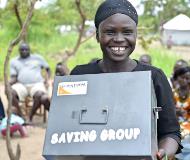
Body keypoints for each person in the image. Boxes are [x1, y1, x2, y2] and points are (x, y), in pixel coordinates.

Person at [70, 0, 181, 159]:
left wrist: (163, 154)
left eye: (127, 32)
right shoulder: (80, 75)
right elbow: (67, 126)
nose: (119, 39)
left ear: (136, 35)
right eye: (110, 32)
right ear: (97, 35)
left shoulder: (154, 77)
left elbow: (171, 132)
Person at [10, 43, 50, 122]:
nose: (24, 51)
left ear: (29, 50)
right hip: (21, 84)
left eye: (26, 49)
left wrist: (47, 79)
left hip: (36, 84)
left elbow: (48, 69)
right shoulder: (14, 61)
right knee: (10, 92)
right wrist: (9, 83)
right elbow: (14, 77)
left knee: (40, 95)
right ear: (19, 51)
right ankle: (21, 115)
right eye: (22, 50)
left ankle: (30, 116)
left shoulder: (37, 58)